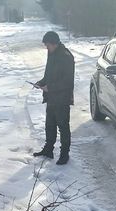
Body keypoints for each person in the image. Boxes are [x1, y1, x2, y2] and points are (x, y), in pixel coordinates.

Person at [33, 31, 75, 165]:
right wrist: (41, 82)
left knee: (63, 126)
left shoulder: (66, 56)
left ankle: (64, 154)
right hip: (51, 97)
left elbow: (68, 81)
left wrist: (50, 87)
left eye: (48, 45)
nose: (46, 48)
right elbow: (48, 75)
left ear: (54, 43)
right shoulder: (52, 54)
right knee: (49, 125)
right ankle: (48, 149)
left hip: (62, 98)